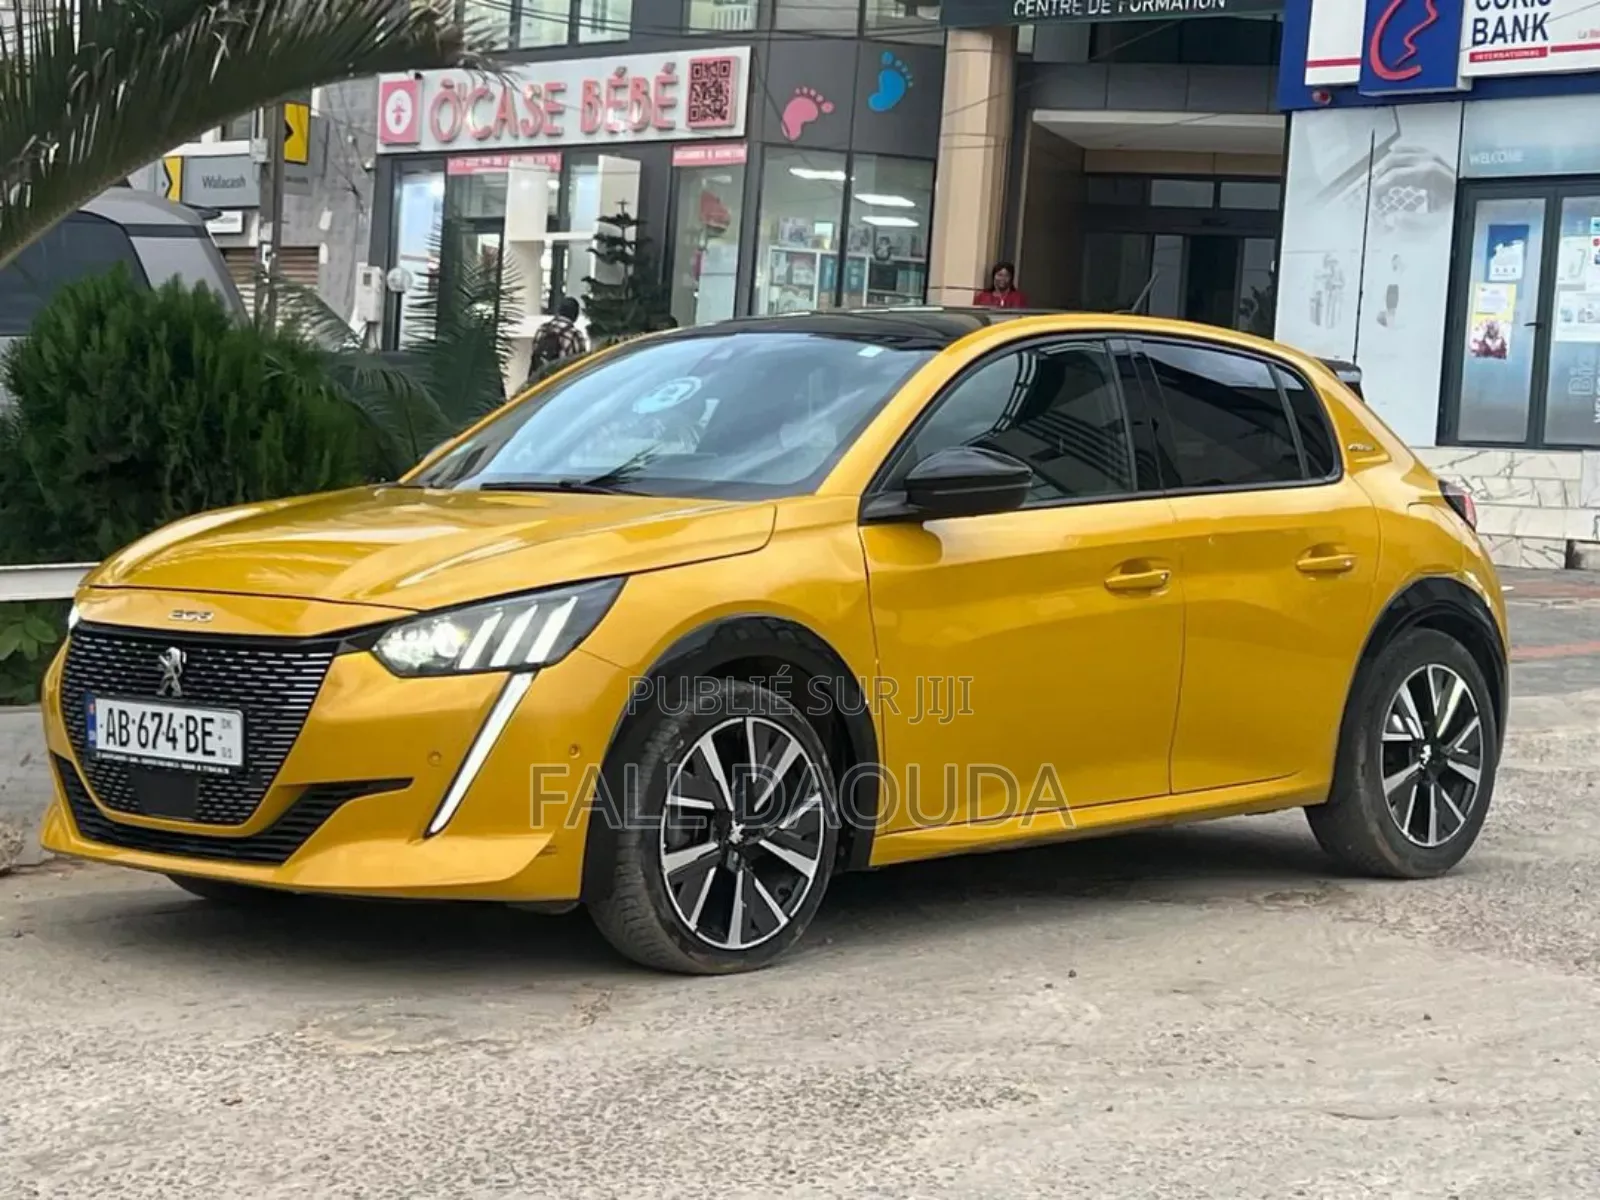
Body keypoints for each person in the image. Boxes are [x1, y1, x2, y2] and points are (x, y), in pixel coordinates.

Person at [527, 296, 588, 381]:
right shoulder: (575, 334)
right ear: (575, 315)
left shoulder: (542, 329)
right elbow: (580, 363)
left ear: (559, 311)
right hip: (560, 383)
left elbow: (535, 351)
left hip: (539, 383)